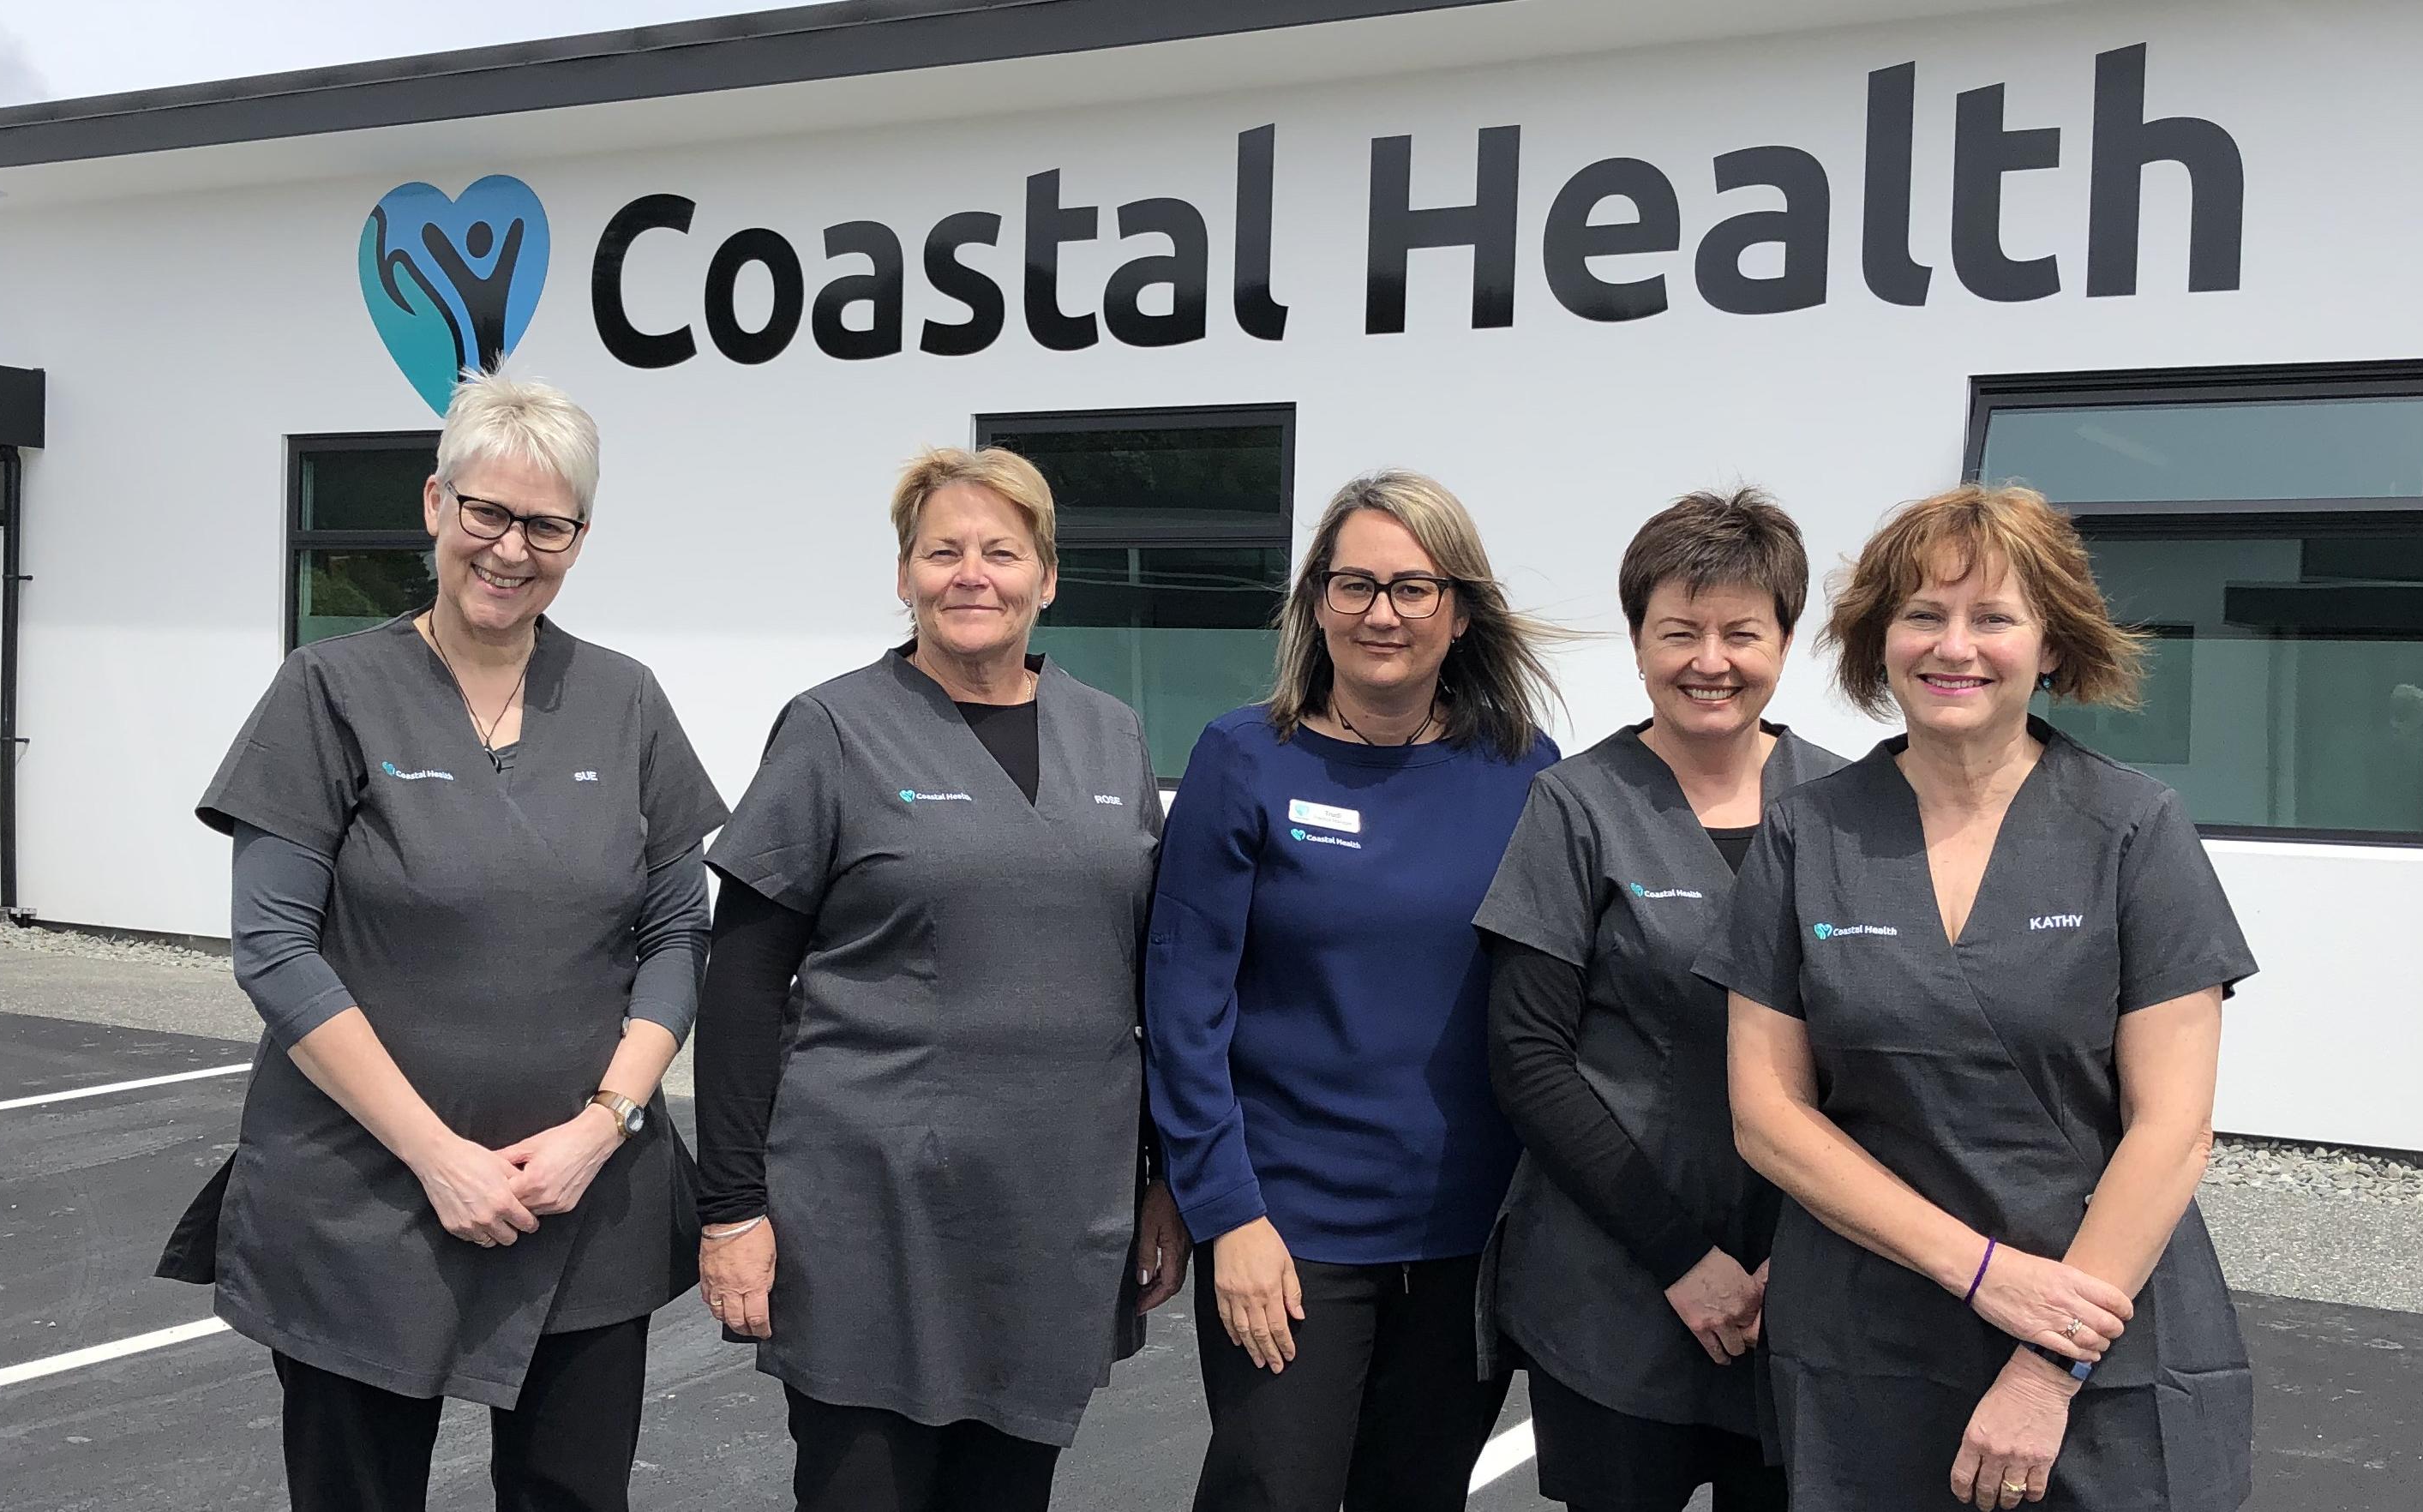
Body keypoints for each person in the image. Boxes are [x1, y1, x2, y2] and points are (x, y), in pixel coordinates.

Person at [185, 371, 726, 1512]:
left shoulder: (625, 703)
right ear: (436, 504)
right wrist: (437, 1155)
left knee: (574, 1497)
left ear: (580, 538)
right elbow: (274, 948)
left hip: (583, 1204)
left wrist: (603, 1125)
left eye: (547, 525)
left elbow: (679, 934)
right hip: (367, 1201)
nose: (511, 549)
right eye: (487, 512)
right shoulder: (329, 690)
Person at [1699, 485, 2257, 1511]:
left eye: (1993, 616)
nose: (1954, 646)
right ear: (1881, 641)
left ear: (2051, 645)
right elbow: (1768, 1116)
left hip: (2098, 1324)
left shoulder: (2135, 830)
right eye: (1923, 614)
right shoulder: (1805, 834)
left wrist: (2050, 1364)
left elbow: (2173, 1127)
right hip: (1872, 1334)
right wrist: (1982, 1271)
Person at [692, 447, 1189, 1512]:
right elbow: (739, 981)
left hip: (1055, 1218)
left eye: (1002, 552)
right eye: (943, 551)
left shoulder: (1111, 733)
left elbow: (1142, 981)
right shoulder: (833, 728)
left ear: (1047, 578)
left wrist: (1162, 1177)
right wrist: (732, 1208)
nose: (974, 574)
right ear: (906, 575)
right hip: (869, 1221)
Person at [1144, 468, 1568, 1512]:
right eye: (1355, 585)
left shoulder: (1523, 771)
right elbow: (1183, 1006)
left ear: (1460, 611)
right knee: (1271, 1492)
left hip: (1467, 1234)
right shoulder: (1246, 758)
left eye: (1413, 587)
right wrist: (1225, 1213)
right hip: (1289, 1231)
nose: (1382, 613)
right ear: (1316, 604)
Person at [1472, 490, 1846, 1512]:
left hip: (1804, 1279)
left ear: (1786, 639)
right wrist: (1683, 1257)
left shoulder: (1849, 810)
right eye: (1678, 631)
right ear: (1638, 641)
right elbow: (1528, 1059)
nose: (1709, 660)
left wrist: (1789, 1262)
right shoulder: (1578, 806)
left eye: (1741, 632)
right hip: (1619, 1273)